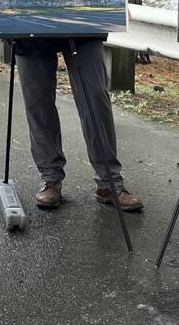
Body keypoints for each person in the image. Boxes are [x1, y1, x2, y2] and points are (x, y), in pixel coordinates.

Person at [13, 36, 143, 212]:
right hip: (29, 29)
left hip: (82, 27)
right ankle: (51, 178)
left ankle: (109, 182)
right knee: (38, 101)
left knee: (95, 98)